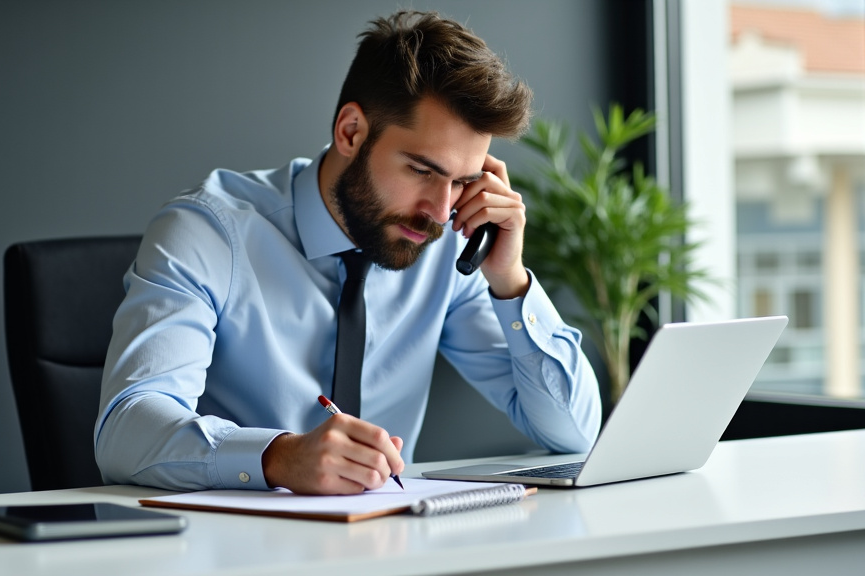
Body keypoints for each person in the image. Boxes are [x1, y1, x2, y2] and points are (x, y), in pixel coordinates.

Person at [95, 10, 601, 496]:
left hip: (390, 537)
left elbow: (574, 433)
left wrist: (510, 280)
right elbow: (125, 430)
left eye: (462, 182)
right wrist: (278, 457)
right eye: (421, 170)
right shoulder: (208, 231)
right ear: (351, 132)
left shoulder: (447, 246)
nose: (439, 210)